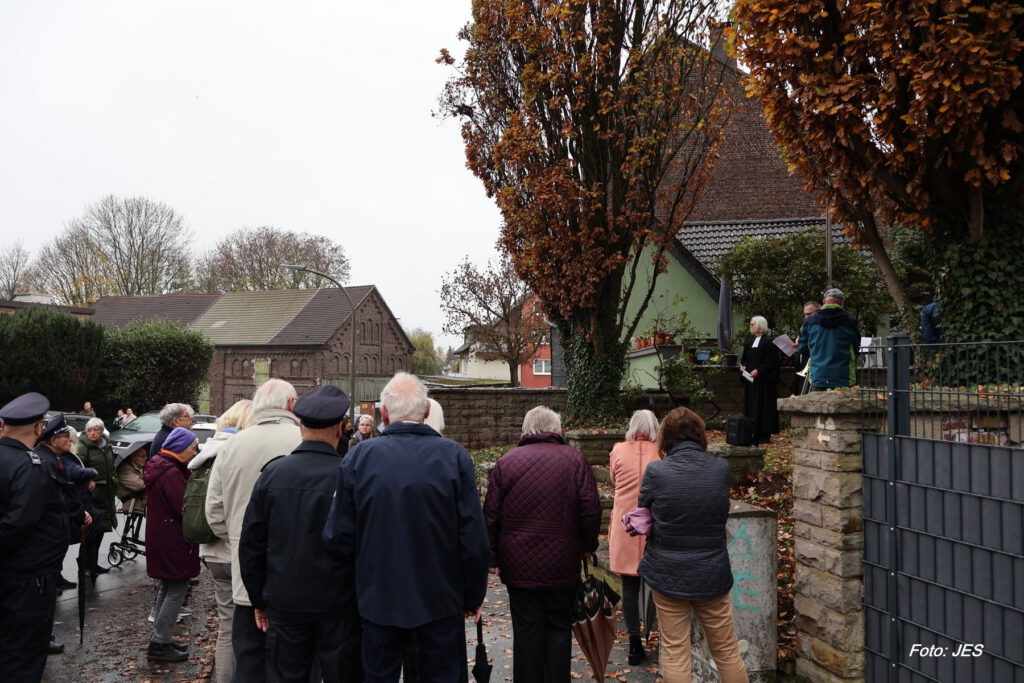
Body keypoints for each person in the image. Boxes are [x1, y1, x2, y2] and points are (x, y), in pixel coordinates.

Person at [323, 372, 489, 683]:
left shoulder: (360, 457)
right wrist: (471, 595)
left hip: (377, 598)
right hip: (440, 598)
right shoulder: (453, 456)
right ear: (427, 410)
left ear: (383, 413)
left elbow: (338, 536)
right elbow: (473, 537)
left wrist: (353, 591)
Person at [239, 385, 361, 683]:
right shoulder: (351, 475)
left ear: (301, 425)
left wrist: (259, 598)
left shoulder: (274, 474)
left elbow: (252, 543)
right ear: (340, 429)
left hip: (286, 600)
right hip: (339, 602)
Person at [483, 405, 601, 683]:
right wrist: (587, 546)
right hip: (562, 562)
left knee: (526, 630)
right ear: (556, 430)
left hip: (518, 564)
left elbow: (490, 515)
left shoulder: (507, 462)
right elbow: (591, 509)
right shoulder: (574, 460)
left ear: (526, 430)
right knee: (559, 629)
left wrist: (494, 558)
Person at [638, 407, 748, 683]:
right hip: (712, 571)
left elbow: (644, 511)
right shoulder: (720, 468)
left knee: (675, 649)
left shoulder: (656, 471)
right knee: (726, 649)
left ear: (665, 438)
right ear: (700, 434)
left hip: (667, 571)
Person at [207, 379, 301, 683]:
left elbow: (214, 513)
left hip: (245, 577)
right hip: (297, 578)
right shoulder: (304, 441)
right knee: (295, 664)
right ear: (290, 405)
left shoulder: (231, 446)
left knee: (249, 660)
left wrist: (238, 538)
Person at [0, 392, 69, 680]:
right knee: (22, 656)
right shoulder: (30, 466)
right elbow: (19, 523)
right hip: (26, 578)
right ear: (40, 428)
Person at [188, 399, 255, 683]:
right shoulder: (239, 452)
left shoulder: (206, 452)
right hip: (237, 551)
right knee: (250, 629)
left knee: (226, 627)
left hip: (212, 552)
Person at [34, 413, 92, 656]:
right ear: (53, 439)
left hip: (52, 538)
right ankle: (40, 638)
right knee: (41, 594)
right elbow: (65, 496)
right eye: (65, 437)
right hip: (45, 539)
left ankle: (42, 635)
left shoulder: (54, 458)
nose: (70, 440)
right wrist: (81, 514)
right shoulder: (46, 460)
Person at [144, 427, 202, 662]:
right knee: (176, 590)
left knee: (166, 587)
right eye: (192, 447)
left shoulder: (161, 466)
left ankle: (160, 638)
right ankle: (160, 643)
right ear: (180, 448)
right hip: (172, 539)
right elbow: (183, 508)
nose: (195, 451)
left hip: (162, 536)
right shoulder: (171, 473)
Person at [608, 409, 661, 665]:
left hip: (626, 524)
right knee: (660, 585)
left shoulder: (618, 449)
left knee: (629, 587)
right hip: (654, 525)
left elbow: (614, 479)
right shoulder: (662, 452)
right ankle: (661, 638)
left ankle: (633, 643)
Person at [77, 416, 117, 579]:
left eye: (96, 430)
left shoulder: (106, 444)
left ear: (101, 431)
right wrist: (88, 480)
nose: (93, 433)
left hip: (106, 492)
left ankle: (93, 563)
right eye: (90, 430)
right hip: (93, 494)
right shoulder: (83, 446)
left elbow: (111, 466)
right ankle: (84, 564)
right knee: (90, 532)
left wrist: (115, 480)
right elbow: (79, 466)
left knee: (101, 529)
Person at [798, 287, 860, 391]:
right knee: (842, 406)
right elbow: (855, 347)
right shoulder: (850, 322)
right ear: (842, 302)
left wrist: (817, 356)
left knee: (818, 406)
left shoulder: (810, 322)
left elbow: (802, 348)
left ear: (823, 302)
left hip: (818, 375)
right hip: (843, 376)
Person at [740, 316, 780, 444]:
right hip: (751, 381)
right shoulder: (749, 343)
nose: (750, 326)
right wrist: (743, 367)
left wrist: (759, 370)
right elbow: (745, 359)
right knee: (751, 405)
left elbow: (771, 362)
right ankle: (752, 431)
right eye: (750, 324)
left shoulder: (769, 342)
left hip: (764, 382)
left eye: (753, 324)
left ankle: (764, 433)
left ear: (761, 325)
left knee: (764, 406)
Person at [791, 301, 820, 396]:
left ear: (818, 312)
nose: (806, 317)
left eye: (809, 314)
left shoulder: (819, 326)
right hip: (801, 362)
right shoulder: (804, 326)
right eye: (805, 315)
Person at [116, 446, 149, 515]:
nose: (145, 458)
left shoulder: (139, 467)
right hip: (133, 504)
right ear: (133, 457)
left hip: (140, 501)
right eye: (142, 456)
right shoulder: (124, 468)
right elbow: (139, 485)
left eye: (146, 456)